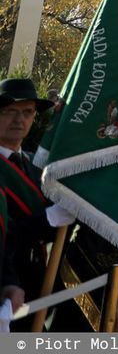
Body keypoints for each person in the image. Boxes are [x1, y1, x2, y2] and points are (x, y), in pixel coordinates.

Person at [0, 78, 56, 304]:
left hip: (39, 287)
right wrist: (50, 218)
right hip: (7, 288)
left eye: (27, 111)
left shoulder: (37, 165)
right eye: (9, 111)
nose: (19, 119)